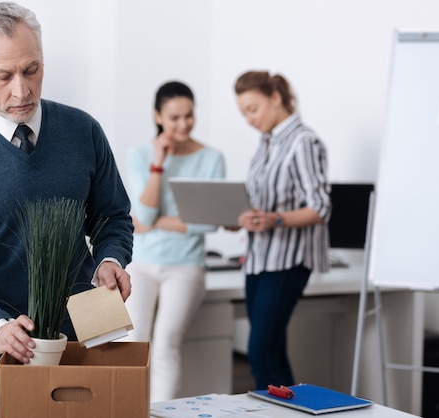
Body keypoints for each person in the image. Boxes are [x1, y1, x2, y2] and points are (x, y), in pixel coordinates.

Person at [0, 3, 134, 417]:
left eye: (31, 70)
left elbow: (113, 216)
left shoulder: (83, 131)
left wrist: (111, 258)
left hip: (84, 329)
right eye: (3, 76)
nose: (21, 91)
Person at [123, 81, 226, 402]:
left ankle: (160, 412)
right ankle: (130, 408)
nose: (183, 124)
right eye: (174, 117)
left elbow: (208, 222)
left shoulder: (211, 158)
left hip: (185, 266)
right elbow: (145, 210)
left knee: (166, 342)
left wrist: (153, 224)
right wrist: (158, 163)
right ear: (158, 116)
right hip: (141, 263)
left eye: (189, 116)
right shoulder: (140, 155)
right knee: (134, 340)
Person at [231, 70, 331, 390]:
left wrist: (275, 219)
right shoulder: (266, 143)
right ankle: (292, 410)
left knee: (259, 353)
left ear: (275, 98)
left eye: (253, 108)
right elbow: (263, 199)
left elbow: (320, 207)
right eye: (243, 112)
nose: (248, 118)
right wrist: (242, 217)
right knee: (271, 350)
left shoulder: (303, 141)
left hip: (288, 259)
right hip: (260, 257)